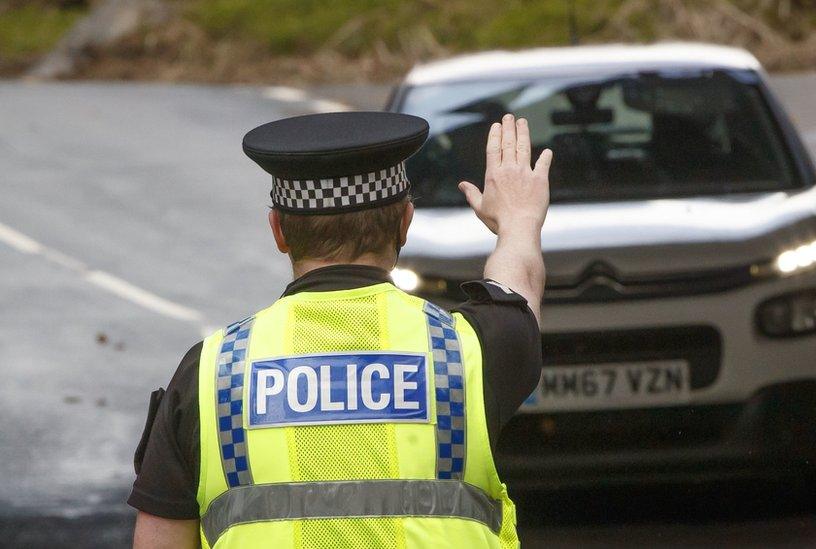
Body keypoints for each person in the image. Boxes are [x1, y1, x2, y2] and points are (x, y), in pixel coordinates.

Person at [128, 111, 552, 548]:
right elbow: (516, 290)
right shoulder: (470, 353)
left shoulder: (210, 373)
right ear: (405, 223)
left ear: (279, 231)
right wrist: (518, 222)